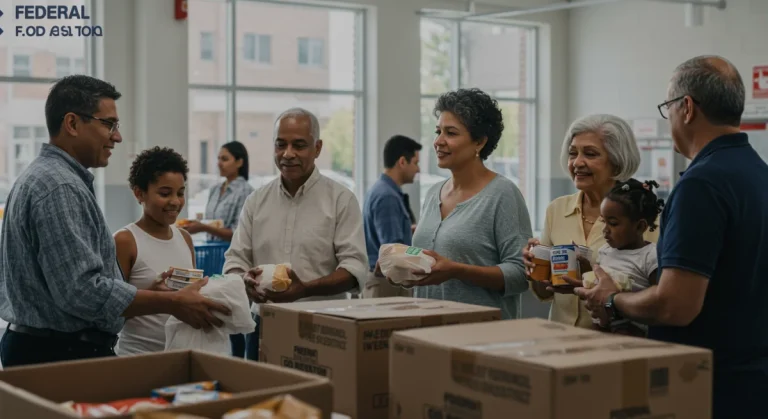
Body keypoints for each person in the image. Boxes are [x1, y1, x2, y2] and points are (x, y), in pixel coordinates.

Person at [573, 55, 768, 418]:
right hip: (751, 381)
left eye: (668, 108)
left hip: (706, 386)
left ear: (687, 108)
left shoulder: (701, 184)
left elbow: (675, 306)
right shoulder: (759, 174)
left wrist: (612, 299)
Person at [0, 75, 230, 368]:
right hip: (59, 353)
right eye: (108, 124)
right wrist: (172, 302)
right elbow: (81, 292)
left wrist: (149, 295)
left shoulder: (47, 178)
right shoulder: (59, 187)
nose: (117, 137)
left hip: (47, 347)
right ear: (72, 123)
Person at [223, 107, 368, 360]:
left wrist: (305, 289)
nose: (288, 154)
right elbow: (235, 260)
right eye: (281, 145)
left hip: (324, 324)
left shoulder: (341, 200)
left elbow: (354, 268)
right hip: (263, 325)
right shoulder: (256, 201)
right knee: (261, 386)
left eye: (299, 145)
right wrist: (243, 280)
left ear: (318, 148)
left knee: (319, 388)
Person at [382, 88, 532, 319]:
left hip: (481, 333)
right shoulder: (433, 194)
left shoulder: (503, 194)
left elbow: (521, 274)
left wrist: (457, 271)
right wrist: (403, 270)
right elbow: (430, 266)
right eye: (438, 131)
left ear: (479, 142)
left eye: (450, 133)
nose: (438, 141)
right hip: (429, 329)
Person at [521, 114, 657, 328]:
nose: (577, 162)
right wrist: (534, 267)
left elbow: (657, 293)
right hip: (559, 337)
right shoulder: (557, 209)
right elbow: (546, 292)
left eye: (590, 154)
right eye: (572, 153)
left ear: (617, 162)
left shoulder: (644, 216)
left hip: (618, 339)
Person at [114, 147, 197, 356]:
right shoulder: (125, 241)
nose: (175, 201)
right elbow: (110, 310)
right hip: (137, 358)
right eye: (165, 193)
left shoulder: (185, 238)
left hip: (181, 355)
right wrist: (152, 296)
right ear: (139, 193)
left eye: (180, 193)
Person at [579, 179, 663, 336]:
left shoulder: (651, 256)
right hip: (603, 327)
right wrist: (585, 271)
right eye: (603, 221)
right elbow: (600, 286)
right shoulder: (605, 251)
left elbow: (659, 302)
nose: (605, 230)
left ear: (640, 226)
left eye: (613, 223)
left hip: (636, 334)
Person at [362, 135, 422, 298]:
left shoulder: (382, 190)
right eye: (415, 163)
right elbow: (393, 249)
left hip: (385, 282)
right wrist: (423, 253)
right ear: (402, 162)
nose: (418, 170)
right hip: (387, 284)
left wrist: (410, 231)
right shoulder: (387, 196)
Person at [182, 141, 254, 243]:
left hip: (232, 251)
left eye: (224, 159)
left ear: (239, 162)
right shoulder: (215, 189)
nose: (219, 164)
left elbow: (239, 233)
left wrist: (203, 227)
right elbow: (214, 223)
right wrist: (198, 223)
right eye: (218, 159)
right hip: (212, 250)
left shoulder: (245, 191)